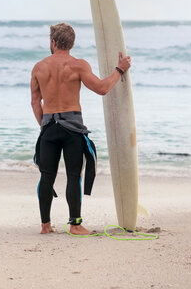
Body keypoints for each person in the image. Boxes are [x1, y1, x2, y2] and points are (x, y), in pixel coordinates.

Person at [30, 23, 131, 235]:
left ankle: (45, 226)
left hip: (49, 127)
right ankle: (75, 225)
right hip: (72, 129)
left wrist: (46, 127)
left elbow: (35, 103)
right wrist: (120, 69)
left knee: (46, 176)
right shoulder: (78, 65)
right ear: (72, 43)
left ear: (53, 42)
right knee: (74, 175)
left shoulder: (39, 67)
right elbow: (102, 88)